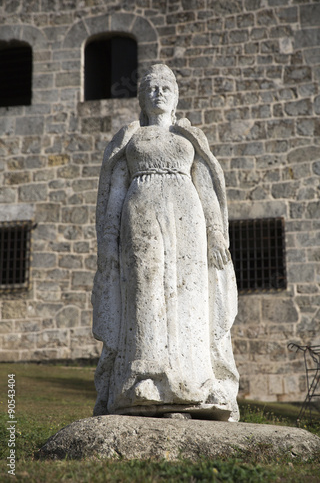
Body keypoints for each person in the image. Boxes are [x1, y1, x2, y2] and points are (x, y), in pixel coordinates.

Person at [92, 64, 239, 421]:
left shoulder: (188, 136)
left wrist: (216, 231)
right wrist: (108, 242)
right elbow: (114, 193)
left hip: (188, 217)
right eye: (151, 88)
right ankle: (145, 381)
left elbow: (206, 186)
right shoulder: (131, 138)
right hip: (140, 214)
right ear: (142, 97)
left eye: (165, 87)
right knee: (145, 290)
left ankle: (196, 383)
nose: (158, 93)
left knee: (190, 292)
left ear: (176, 95)